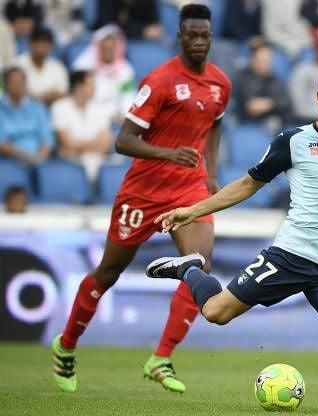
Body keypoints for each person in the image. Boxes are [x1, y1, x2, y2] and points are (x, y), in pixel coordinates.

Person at [145, 66, 318, 414]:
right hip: (290, 256)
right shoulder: (293, 141)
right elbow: (247, 184)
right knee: (216, 312)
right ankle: (189, 269)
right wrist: (192, 211)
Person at [51, 4, 231, 394]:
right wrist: (168, 153)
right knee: (108, 273)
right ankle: (66, 345)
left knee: (199, 266)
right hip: (143, 192)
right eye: (192, 35)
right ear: (180, 37)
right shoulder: (160, 80)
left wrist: (212, 174)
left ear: (211, 38)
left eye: (205, 35)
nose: (199, 41)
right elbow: (123, 140)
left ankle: (161, 357)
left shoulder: (220, 84)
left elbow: (214, 126)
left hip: (189, 189)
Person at [50, 70, 113, 182]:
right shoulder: (59, 107)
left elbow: (105, 144)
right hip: (71, 164)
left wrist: (76, 145)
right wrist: (94, 144)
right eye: (90, 84)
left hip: (98, 162)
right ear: (78, 87)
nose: (94, 88)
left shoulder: (98, 109)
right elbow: (67, 143)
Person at [72, 24, 136, 123]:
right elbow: (79, 95)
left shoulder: (126, 70)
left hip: (116, 117)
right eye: (105, 48)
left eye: (112, 48)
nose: (109, 51)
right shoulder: (83, 66)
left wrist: (124, 114)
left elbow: (128, 96)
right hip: (88, 116)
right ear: (98, 47)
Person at [0, 67, 53, 165]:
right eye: (14, 83)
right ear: (6, 85)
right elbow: (1, 143)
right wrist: (22, 155)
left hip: (39, 158)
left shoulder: (37, 107)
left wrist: (40, 158)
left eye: (21, 83)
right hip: (9, 160)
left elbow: (47, 139)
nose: (18, 87)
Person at [13, 27, 69, 106]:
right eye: (39, 43)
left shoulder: (58, 67)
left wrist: (51, 96)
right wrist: (39, 98)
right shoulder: (17, 64)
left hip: (52, 108)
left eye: (46, 44)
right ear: (30, 44)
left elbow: (63, 93)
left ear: (51, 46)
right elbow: (13, 91)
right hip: (22, 107)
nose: (42, 47)